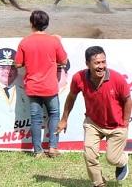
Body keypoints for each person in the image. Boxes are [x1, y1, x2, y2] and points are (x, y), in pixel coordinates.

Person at [57, 46, 130, 186]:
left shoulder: (117, 79)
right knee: (89, 155)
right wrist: (64, 119)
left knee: (112, 159)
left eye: (103, 62)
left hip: (117, 125)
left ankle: (123, 160)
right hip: (93, 123)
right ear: (87, 64)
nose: (101, 66)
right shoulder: (78, 78)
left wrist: (125, 123)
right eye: (97, 63)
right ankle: (99, 183)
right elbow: (71, 97)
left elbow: (128, 100)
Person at [14, 10, 68, 157]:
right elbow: (63, 61)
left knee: (36, 119)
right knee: (54, 115)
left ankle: (38, 151)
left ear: (32, 23)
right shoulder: (53, 41)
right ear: (46, 24)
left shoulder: (25, 42)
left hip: (33, 86)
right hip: (50, 86)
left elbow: (18, 64)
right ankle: (53, 148)